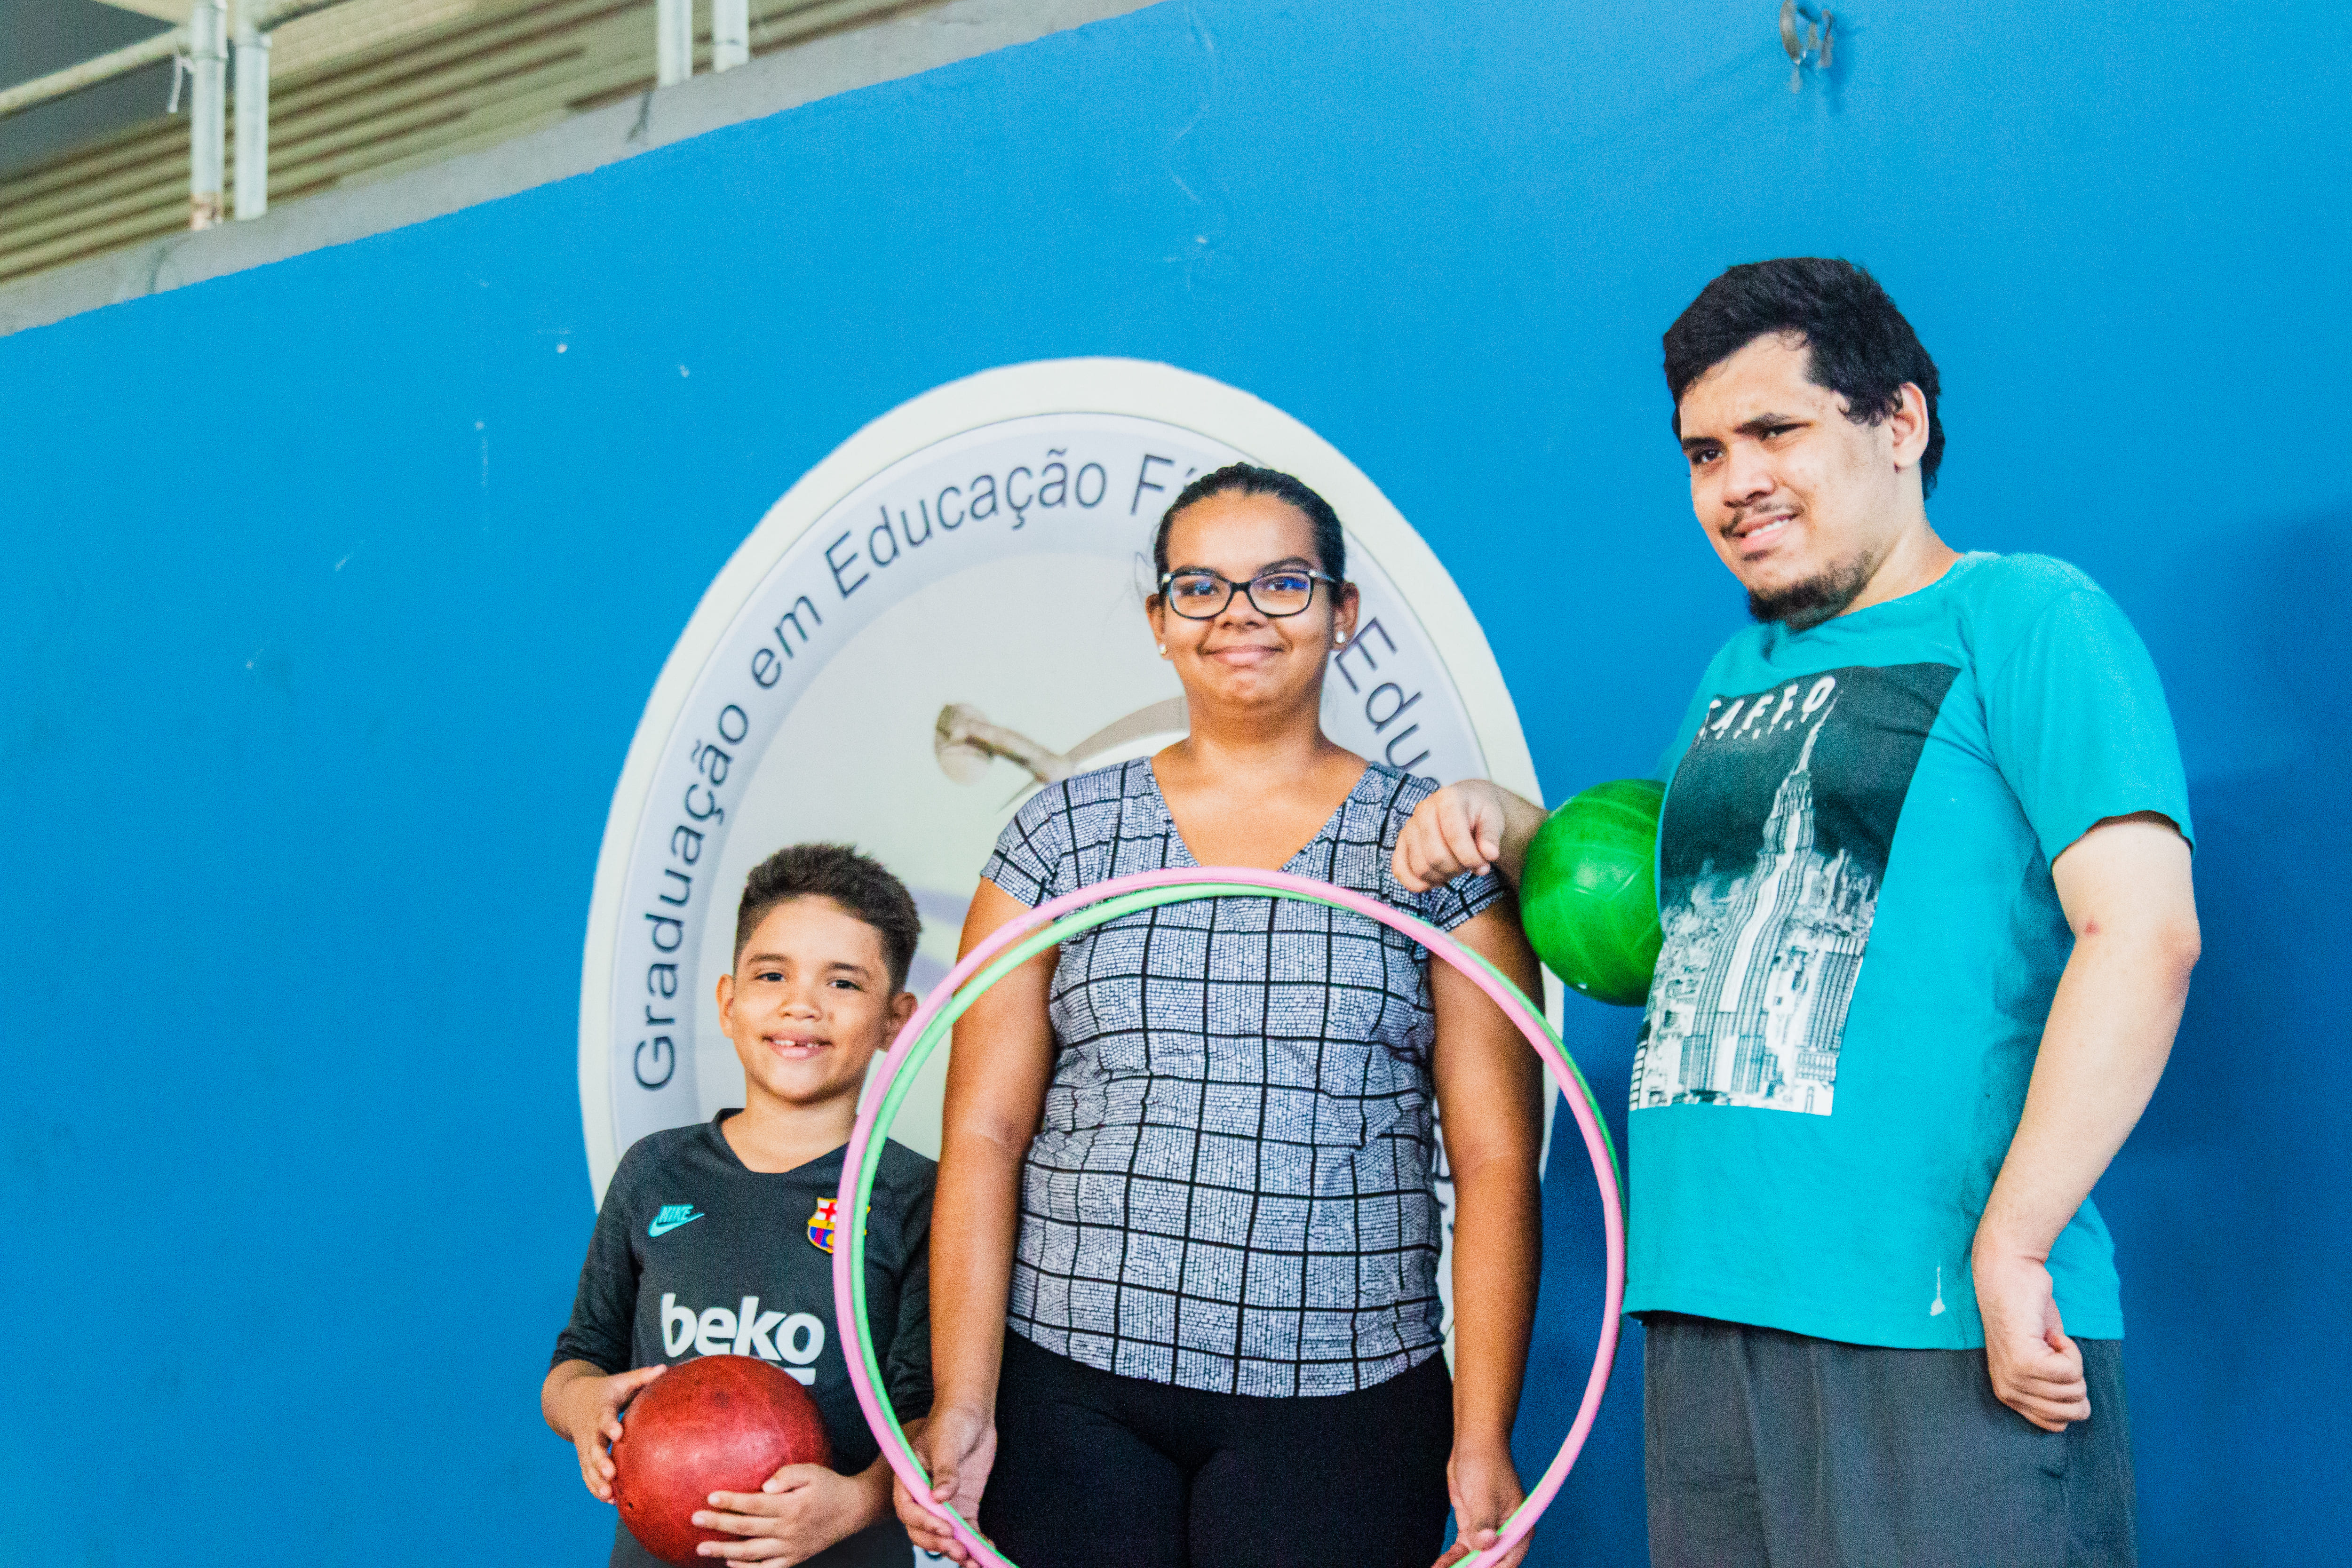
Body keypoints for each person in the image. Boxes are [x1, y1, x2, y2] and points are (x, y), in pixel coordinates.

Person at [1393, 258, 2198, 1567]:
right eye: (1704, 451)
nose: (1736, 480)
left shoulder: (2026, 615)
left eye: (1777, 431)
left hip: (1935, 1317)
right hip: (1708, 1309)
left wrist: (2014, 1240)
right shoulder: (1735, 673)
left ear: (1901, 423)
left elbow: (2145, 932)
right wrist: (1522, 828)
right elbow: (1705, 932)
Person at [898, 464, 1549, 1568]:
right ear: (1159, 621)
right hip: (1070, 1383)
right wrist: (963, 1400)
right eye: (1199, 587)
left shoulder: (1436, 843)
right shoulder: (1058, 836)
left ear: (1342, 611)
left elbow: (1494, 1159)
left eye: (1283, 583)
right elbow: (983, 1133)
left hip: (1343, 1391)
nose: (1240, 614)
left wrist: (1482, 1433)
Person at [544, 844, 937, 1567]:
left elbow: (930, 1420)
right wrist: (585, 1408)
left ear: (897, 1020)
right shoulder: (656, 1171)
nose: (801, 1003)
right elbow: (576, 1361)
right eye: (772, 974)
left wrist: (855, 1502)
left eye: (844, 982)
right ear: (729, 1003)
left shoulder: (917, 1198)